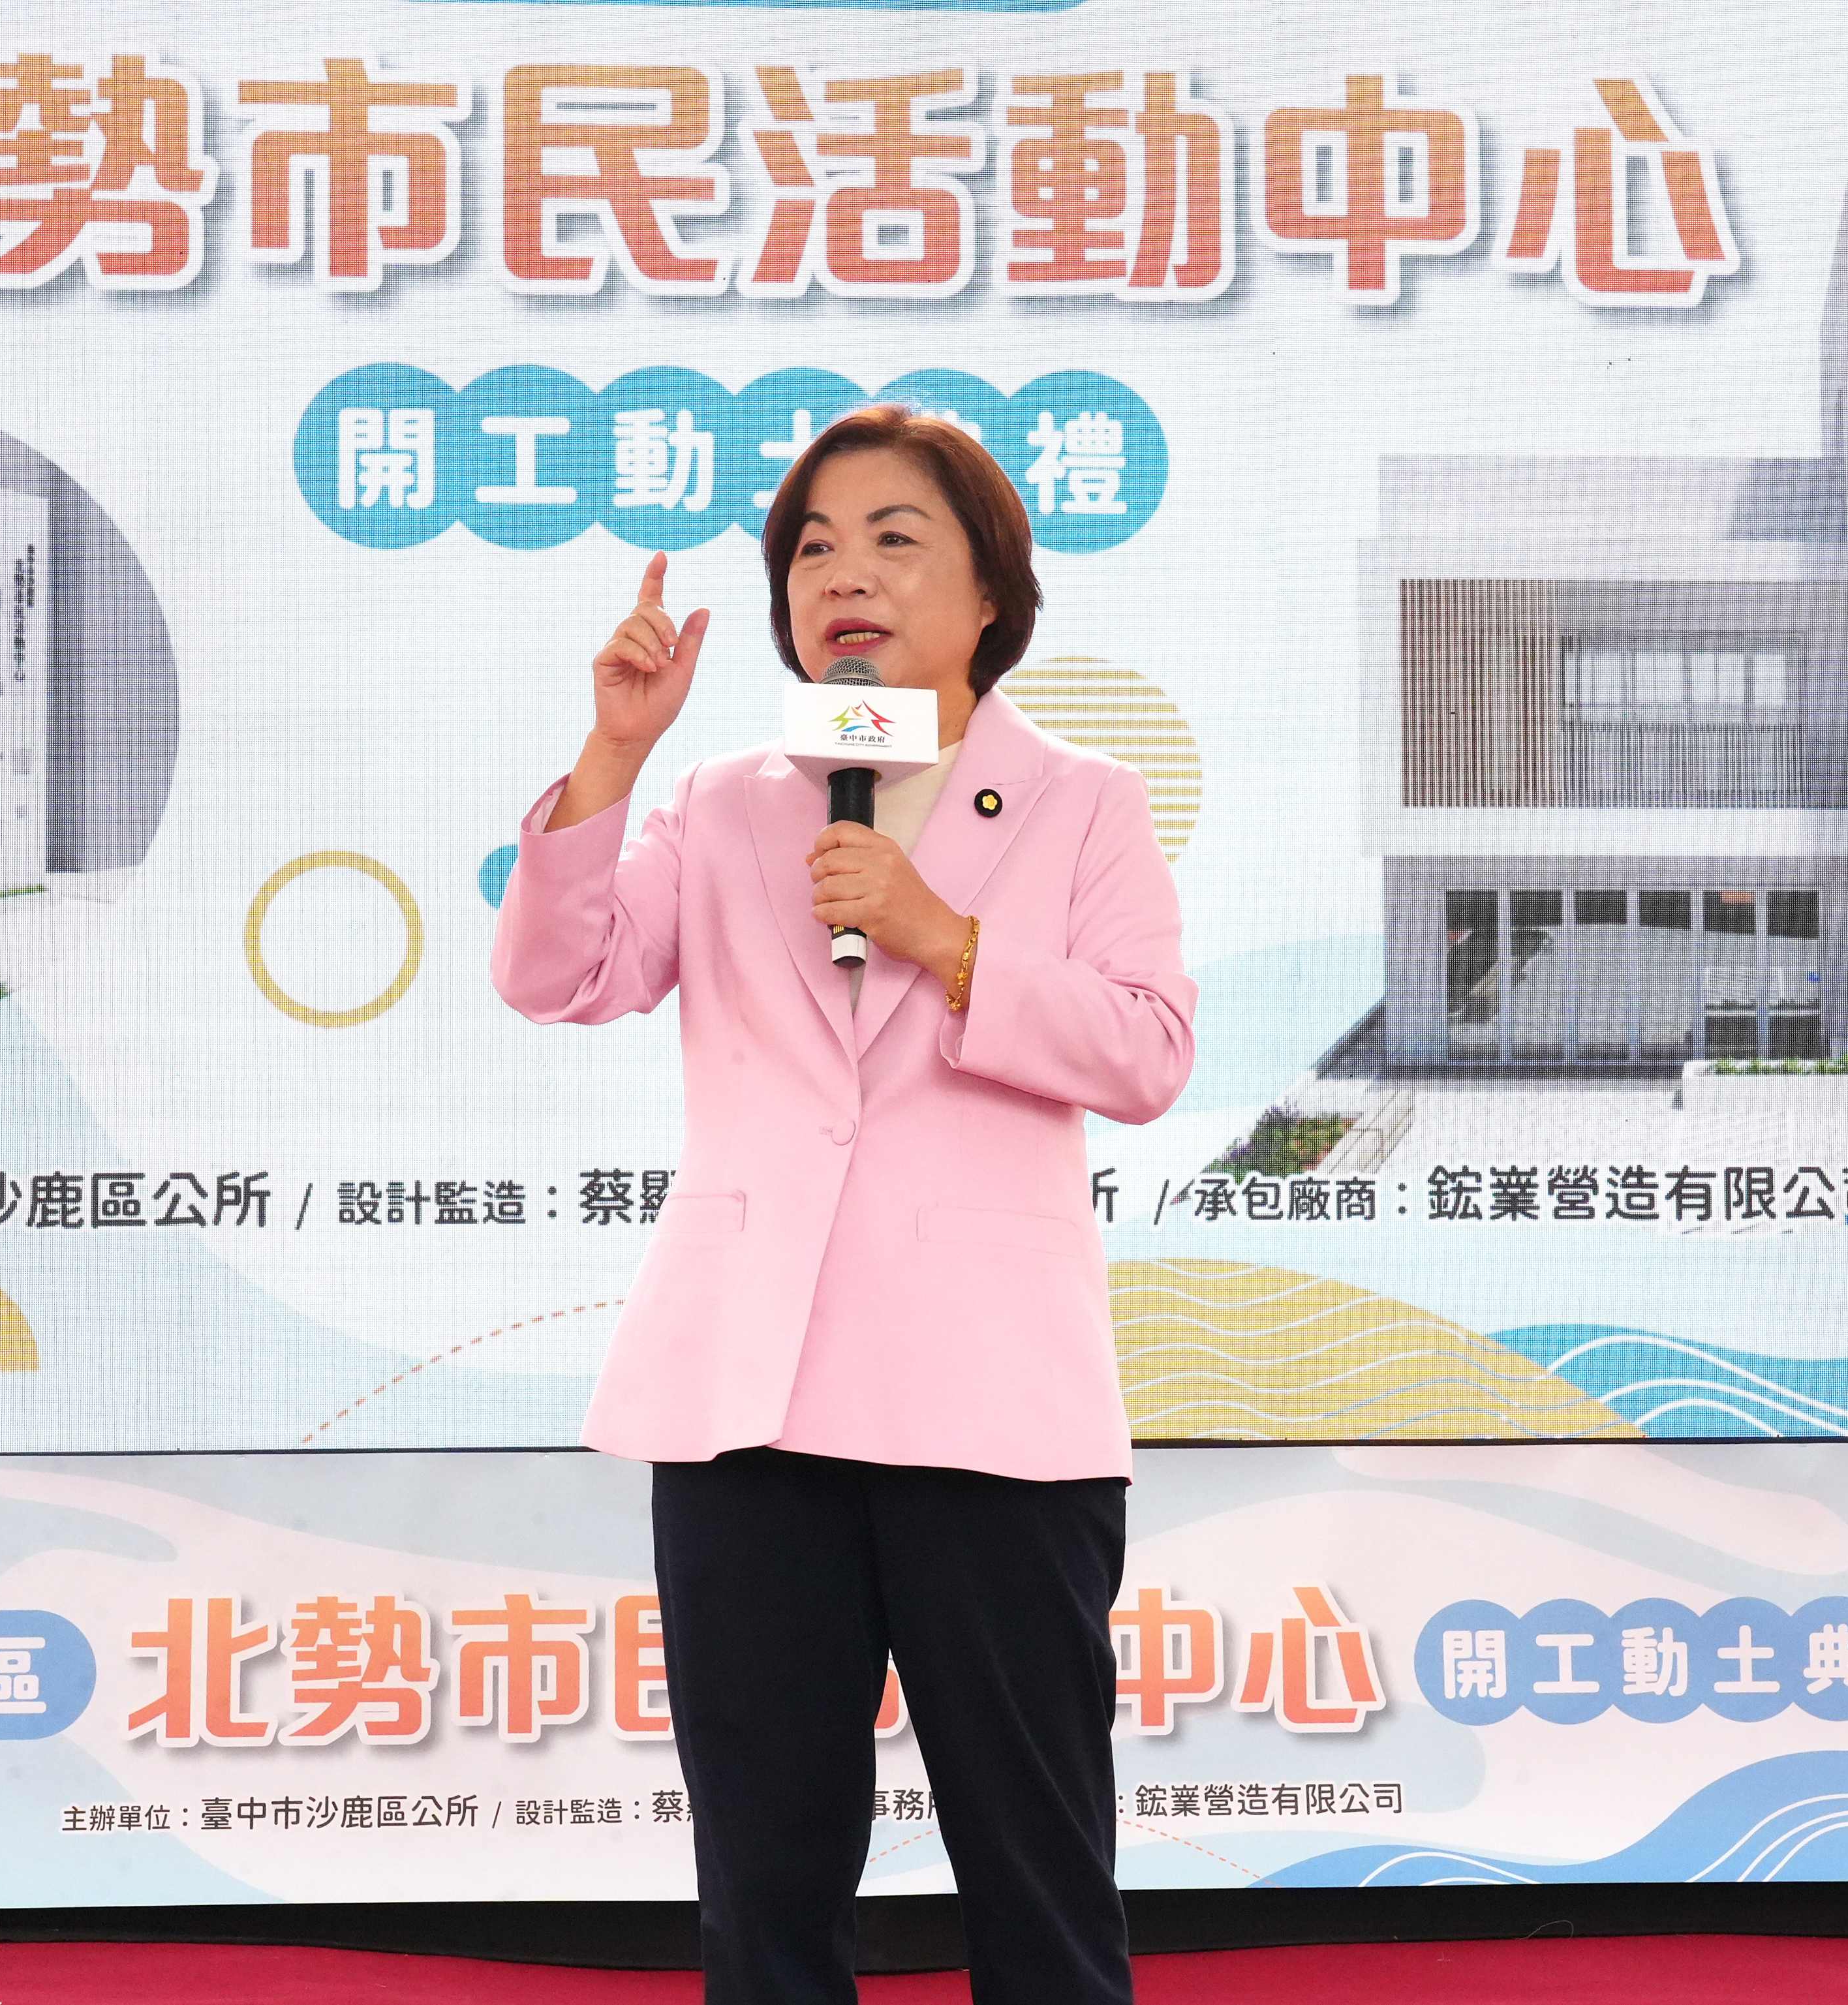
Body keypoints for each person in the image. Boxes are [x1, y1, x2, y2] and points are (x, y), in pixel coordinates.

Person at [491, 404, 1196, 2004]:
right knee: (768, 1873)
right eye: (813, 548)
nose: (844, 576)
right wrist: (616, 756)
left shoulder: (1081, 800)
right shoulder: (726, 798)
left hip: (991, 1407)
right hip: (753, 1399)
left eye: (893, 539)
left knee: (1036, 1863)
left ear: (990, 595)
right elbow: (559, 975)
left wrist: (947, 937)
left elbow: (1150, 1051)